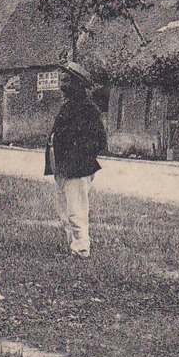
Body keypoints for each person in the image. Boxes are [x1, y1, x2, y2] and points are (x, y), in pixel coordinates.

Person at [46, 61, 108, 258]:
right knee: (65, 210)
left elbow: (99, 140)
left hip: (77, 168)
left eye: (67, 81)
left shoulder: (88, 110)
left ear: (76, 86)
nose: (62, 85)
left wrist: (79, 156)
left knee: (76, 210)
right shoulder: (68, 108)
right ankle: (72, 245)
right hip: (63, 167)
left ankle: (81, 249)